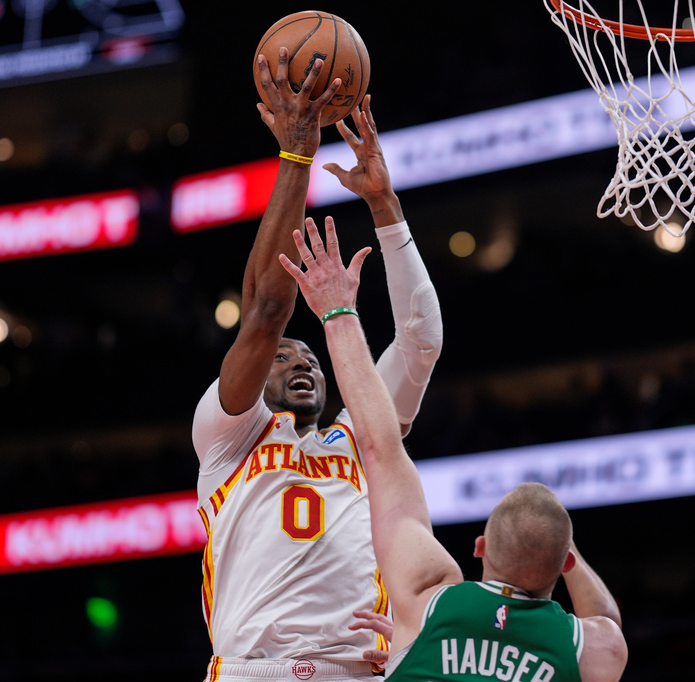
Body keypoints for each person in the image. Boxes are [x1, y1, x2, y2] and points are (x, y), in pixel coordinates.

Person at [280, 216, 628, 682]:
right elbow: (607, 625)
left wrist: (338, 312)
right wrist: (568, 555)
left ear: (480, 548)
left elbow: (378, 445)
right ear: (562, 563)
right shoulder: (590, 650)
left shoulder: (430, 603)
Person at [192, 47, 443, 681]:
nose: (302, 361)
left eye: (312, 356)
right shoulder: (229, 438)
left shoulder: (362, 437)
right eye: (285, 357)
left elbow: (420, 340)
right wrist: (296, 157)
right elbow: (266, 312)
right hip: (255, 670)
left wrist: (386, 209)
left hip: (361, 670)